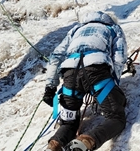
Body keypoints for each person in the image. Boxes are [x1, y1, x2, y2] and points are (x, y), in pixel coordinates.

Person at [42, 11, 128, 151]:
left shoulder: (76, 29)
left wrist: (50, 87)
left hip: (70, 74)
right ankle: (85, 142)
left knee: (69, 123)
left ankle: (54, 146)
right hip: (96, 71)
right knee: (116, 118)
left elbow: (56, 56)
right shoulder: (113, 28)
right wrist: (113, 85)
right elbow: (119, 58)